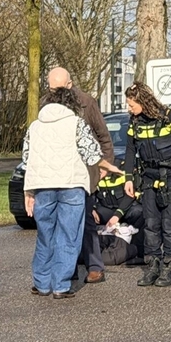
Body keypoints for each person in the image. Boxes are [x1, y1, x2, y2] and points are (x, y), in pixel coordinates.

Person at [23, 87, 121, 299]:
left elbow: (27, 160)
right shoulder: (77, 123)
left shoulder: (35, 127)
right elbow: (91, 154)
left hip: (42, 186)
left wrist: (28, 192)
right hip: (72, 185)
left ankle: (41, 283)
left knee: (45, 235)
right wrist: (109, 166)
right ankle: (60, 285)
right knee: (69, 236)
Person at [123, 82, 171, 287]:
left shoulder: (168, 116)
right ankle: (153, 267)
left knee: (168, 225)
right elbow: (130, 151)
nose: (129, 108)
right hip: (147, 177)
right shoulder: (134, 122)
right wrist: (128, 178)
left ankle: (169, 269)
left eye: (131, 104)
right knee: (151, 224)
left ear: (142, 101)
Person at [46, 67, 113, 284]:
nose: (54, 92)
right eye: (50, 87)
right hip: (56, 172)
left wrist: (105, 165)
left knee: (85, 220)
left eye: (58, 88)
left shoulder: (87, 102)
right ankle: (68, 268)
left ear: (69, 84)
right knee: (60, 222)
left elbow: (104, 137)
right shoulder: (45, 105)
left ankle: (95, 266)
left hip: (83, 171)